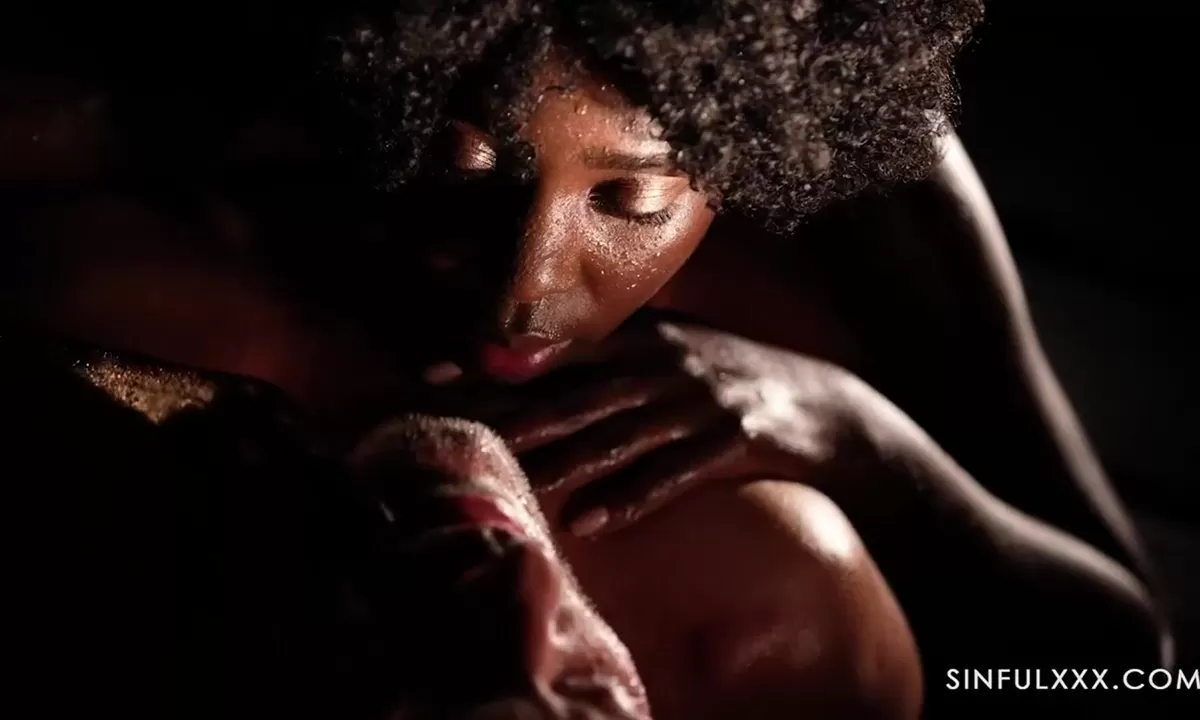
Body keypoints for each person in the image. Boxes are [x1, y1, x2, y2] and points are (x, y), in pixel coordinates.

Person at [0, 1, 1169, 717]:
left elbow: (1125, 653)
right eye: (465, 168)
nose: (526, 287)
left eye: (632, 200)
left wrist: (856, 433)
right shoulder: (189, 139)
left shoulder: (873, 197)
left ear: (755, 146)